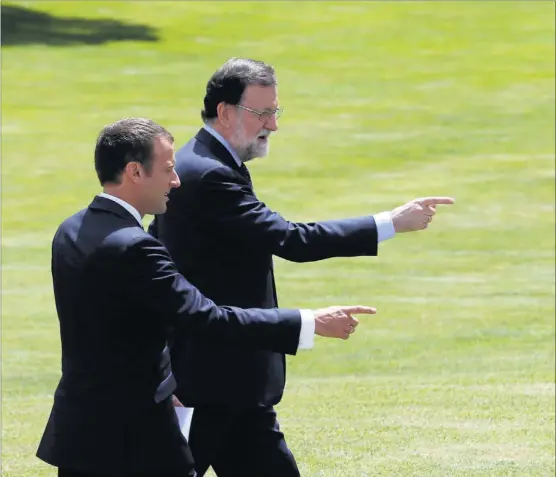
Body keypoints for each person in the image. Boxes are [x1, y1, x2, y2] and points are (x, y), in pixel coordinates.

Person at [148, 58, 455, 477]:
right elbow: (290, 240)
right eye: (263, 112)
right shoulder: (209, 174)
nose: (273, 124)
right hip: (211, 379)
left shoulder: (204, 163)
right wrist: (390, 223)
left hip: (232, 378)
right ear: (225, 111)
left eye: (276, 111)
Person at [35, 117, 378, 477]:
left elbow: (120, 327)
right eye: (167, 169)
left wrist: (166, 381)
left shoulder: (71, 230)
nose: (176, 180)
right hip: (135, 438)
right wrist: (309, 322)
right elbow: (207, 318)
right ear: (135, 172)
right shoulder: (136, 247)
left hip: (81, 431)